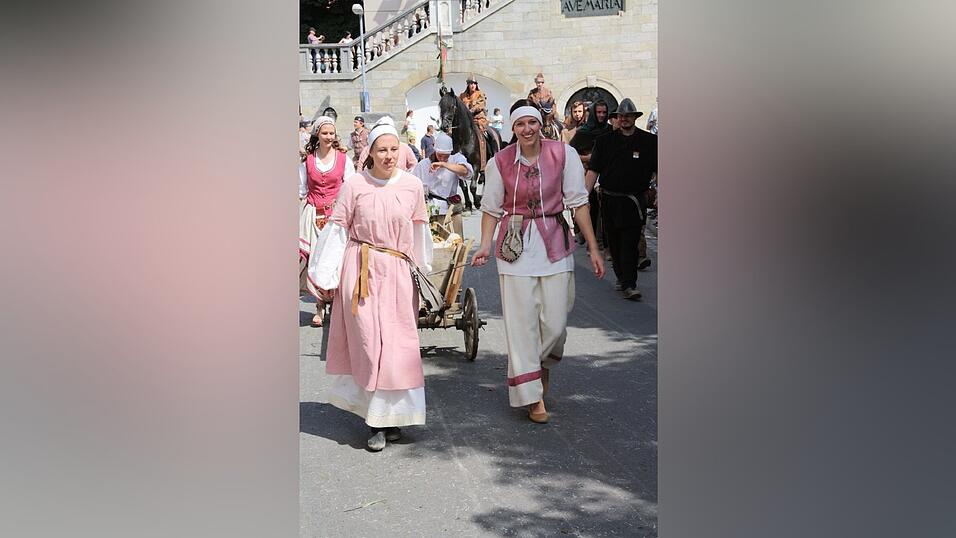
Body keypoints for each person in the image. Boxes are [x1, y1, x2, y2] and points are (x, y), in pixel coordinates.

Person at [471, 100, 605, 424]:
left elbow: (579, 202)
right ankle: (532, 395)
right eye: (520, 125)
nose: (527, 129)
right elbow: (490, 208)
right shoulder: (500, 162)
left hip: (555, 242)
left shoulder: (564, 154)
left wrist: (594, 248)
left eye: (532, 122)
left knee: (556, 324)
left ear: (539, 124)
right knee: (521, 324)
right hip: (515, 247)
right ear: (513, 129)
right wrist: (485, 246)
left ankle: (541, 365)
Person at [309, 120, 433, 451]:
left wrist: (422, 269)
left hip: (396, 270)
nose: (389, 155)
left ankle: (394, 417)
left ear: (401, 151)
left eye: (394, 149)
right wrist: (326, 275)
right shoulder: (354, 185)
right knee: (368, 342)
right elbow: (337, 230)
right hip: (359, 269)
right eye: (382, 150)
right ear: (371, 153)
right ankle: (374, 421)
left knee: (396, 344)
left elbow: (420, 233)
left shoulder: (412, 186)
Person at [585, 98, 656, 300]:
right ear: (616, 118)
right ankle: (621, 276)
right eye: (621, 116)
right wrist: (583, 198)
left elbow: (659, 170)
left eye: (628, 116)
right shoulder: (605, 141)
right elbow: (593, 171)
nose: (624, 119)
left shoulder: (649, 142)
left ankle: (629, 284)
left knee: (630, 242)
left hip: (634, 201)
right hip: (609, 200)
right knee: (614, 242)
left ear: (635, 117)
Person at [299, 116, 354, 326]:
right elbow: (302, 190)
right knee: (316, 259)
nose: (329, 137)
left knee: (336, 260)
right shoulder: (308, 162)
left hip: (337, 216)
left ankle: (338, 306)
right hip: (314, 215)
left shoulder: (343, 159)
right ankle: (320, 307)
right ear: (317, 135)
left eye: (331, 133)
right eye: (325, 133)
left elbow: (350, 186)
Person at [569, 101, 613, 248]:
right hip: (588, 173)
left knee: (605, 208)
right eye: (598, 112)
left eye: (604, 112)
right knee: (590, 205)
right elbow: (571, 153)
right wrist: (588, 159)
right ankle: (590, 238)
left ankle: (605, 242)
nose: (601, 115)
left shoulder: (610, 130)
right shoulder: (583, 132)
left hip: (606, 173)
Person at [412, 131, 473, 236]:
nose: (443, 158)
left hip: (450, 210)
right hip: (430, 210)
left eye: (446, 156)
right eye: (440, 156)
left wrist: (444, 164)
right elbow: (414, 187)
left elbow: (465, 171)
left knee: (455, 244)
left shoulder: (456, 159)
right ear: (435, 151)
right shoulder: (423, 165)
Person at [459, 74, 488, 170]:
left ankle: (491, 154)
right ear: (467, 85)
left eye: (474, 84)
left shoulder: (480, 94)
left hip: (478, 120)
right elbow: (458, 105)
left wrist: (470, 111)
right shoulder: (462, 96)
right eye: (471, 83)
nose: (473, 85)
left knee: (486, 136)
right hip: (466, 122)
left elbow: (481, 105)